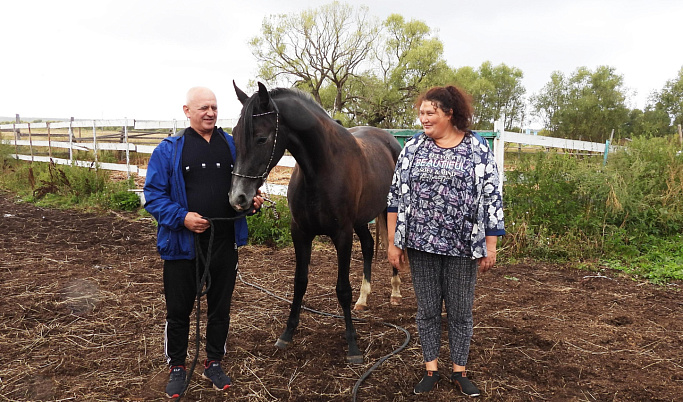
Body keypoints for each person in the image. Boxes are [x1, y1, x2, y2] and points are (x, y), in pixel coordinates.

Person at [143, 86, 264, 398]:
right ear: (187, 111)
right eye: (203, 108)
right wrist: (182, 218)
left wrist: (252, 203)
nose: (210, 113)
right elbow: (153, 196)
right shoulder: (169, 150)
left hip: (224, 242)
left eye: (213, 107)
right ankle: (178, 367)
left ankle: (213, 361)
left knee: (220, 308)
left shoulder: (232, 146)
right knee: (179, 310)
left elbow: (244, 187)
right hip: (182, 246)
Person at [386, 85, 505, 397]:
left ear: (450, 114)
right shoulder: (412, 148)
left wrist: (490, 245)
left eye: (430, 113)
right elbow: (395, 197)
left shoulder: (477, 150)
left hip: (463, 246)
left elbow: (492, 198)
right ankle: (431, 369)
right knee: (426, 310)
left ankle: (460, 371)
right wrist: (393, 242)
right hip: (420, 244)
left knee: (460, 311)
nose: (424, 119)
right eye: (421, 113)